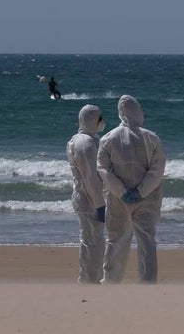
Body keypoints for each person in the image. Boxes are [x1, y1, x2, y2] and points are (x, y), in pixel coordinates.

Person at [97, 95, 166, 283]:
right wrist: (142, 191)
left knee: (116, 239)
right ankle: (148, 281)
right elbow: (157, 169)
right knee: (147, 240)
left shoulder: (107, 138)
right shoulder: (151, 137)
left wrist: (121, 191)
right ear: (138, 111)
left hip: (117, 198)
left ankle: (111, 280)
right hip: (148, 198)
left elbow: (103, 169)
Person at [66, 104, 106, 283]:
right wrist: (100, 204)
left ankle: (89, 277)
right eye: (99, 118)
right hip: (88, 197)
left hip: (86, 195)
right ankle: (89, 280)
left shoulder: (81, 139)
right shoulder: (85, 143)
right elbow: (90, 177)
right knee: (92, 241)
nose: (101, 122)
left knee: (92, 239)